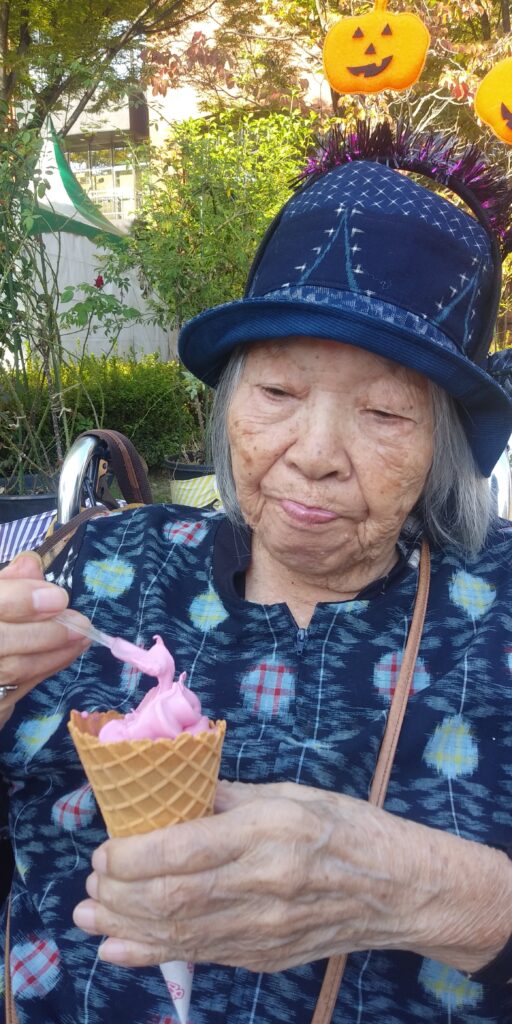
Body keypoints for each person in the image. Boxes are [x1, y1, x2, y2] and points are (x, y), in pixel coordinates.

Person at [2, 125, 512, 1024]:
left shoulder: (497, 606)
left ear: (443, 444)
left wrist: (432, 890)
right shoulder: (98, 563)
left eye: (385, 412)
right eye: (277, 392)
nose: (315, 454)